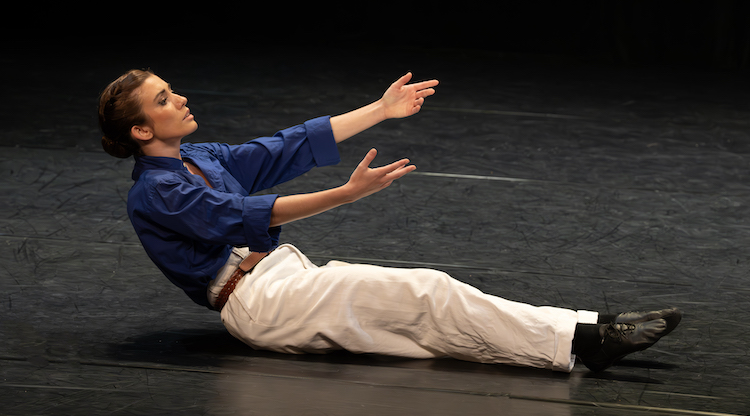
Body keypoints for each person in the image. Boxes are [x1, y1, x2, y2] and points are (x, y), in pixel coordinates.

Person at [98, 69, 681, 373]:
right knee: (427, 293)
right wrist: (345, 194)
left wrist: (380, 111)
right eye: (164, 99)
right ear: (141, 131)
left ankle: (586, 328)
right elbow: (244, 213)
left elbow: (284, 147)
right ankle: (581, 340)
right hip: (257, 302)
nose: (180, 100)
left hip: (283, 279)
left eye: (172, 91)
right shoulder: (155, 193)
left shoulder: (201, 157)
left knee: (430, 311)